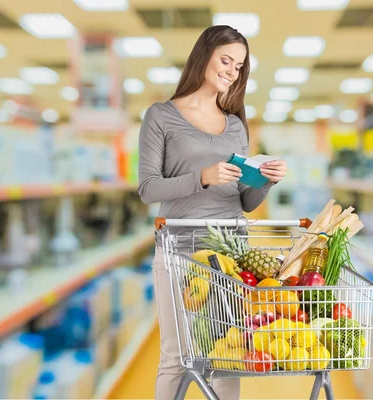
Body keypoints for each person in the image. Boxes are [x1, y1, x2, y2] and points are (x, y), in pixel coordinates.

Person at [137, 25, 287, 399]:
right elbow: (147, 188)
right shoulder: (160, 116)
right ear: (203, 55)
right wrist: (200, 177)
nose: (231, 71)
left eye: (239, 66)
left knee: (227, 353)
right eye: (226, 60)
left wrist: (265, 181)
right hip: (178, 249)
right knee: (176, 357)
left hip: (231, 251)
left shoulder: (235, 125)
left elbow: (244, 201)